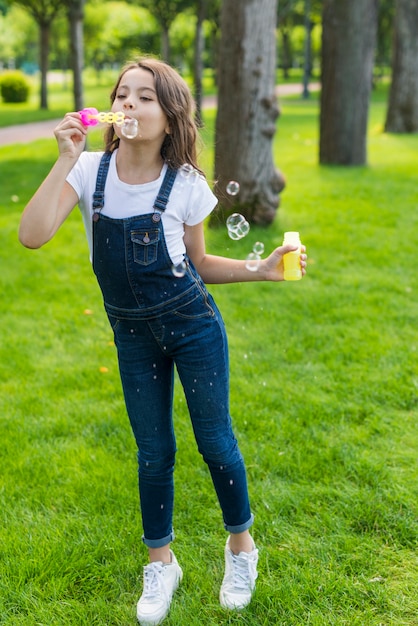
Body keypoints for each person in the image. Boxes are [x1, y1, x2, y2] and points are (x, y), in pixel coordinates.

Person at [19, 57, 307, 625]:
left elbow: (199, 263)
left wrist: (265, 269)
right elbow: (32, 235)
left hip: (194, 326)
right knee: (153, 453)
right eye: (121, 94)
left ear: (171, 116)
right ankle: (161, 564)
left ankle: (241, 549)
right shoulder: (88, 172)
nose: (128, 103)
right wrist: (64, 161)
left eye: (144, 96)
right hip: (132, 336)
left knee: (215, 442)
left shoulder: (187, 184)